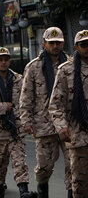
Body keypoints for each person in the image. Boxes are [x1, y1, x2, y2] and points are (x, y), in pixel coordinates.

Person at [0, 47, 37, 198]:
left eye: (6, 59)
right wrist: (3, 107)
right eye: (0, 60)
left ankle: (24, 191)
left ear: (10, 61)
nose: (3, 62)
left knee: (19, 160)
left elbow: (27, 100)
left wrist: (28, 121)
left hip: (15, 128)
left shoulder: (18, 79)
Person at [20, 27, 71, 198]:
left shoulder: (70, 65)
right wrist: (26, 120)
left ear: (63, 43)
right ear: (44, 44)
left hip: (68, 123)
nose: (55, 46)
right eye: (51, 43)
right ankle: (43, 192)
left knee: (74, 164)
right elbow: (26, 96)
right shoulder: (34, 67)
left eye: (58, 43)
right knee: (44, 167)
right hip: (44, 123)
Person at [49, 30, 88, 198]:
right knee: (79, 182)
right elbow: (55, 104)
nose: (87, 48)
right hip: (77, 133)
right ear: (76, 47)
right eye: (84, 45)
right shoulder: (66, 70)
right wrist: (62, 127)